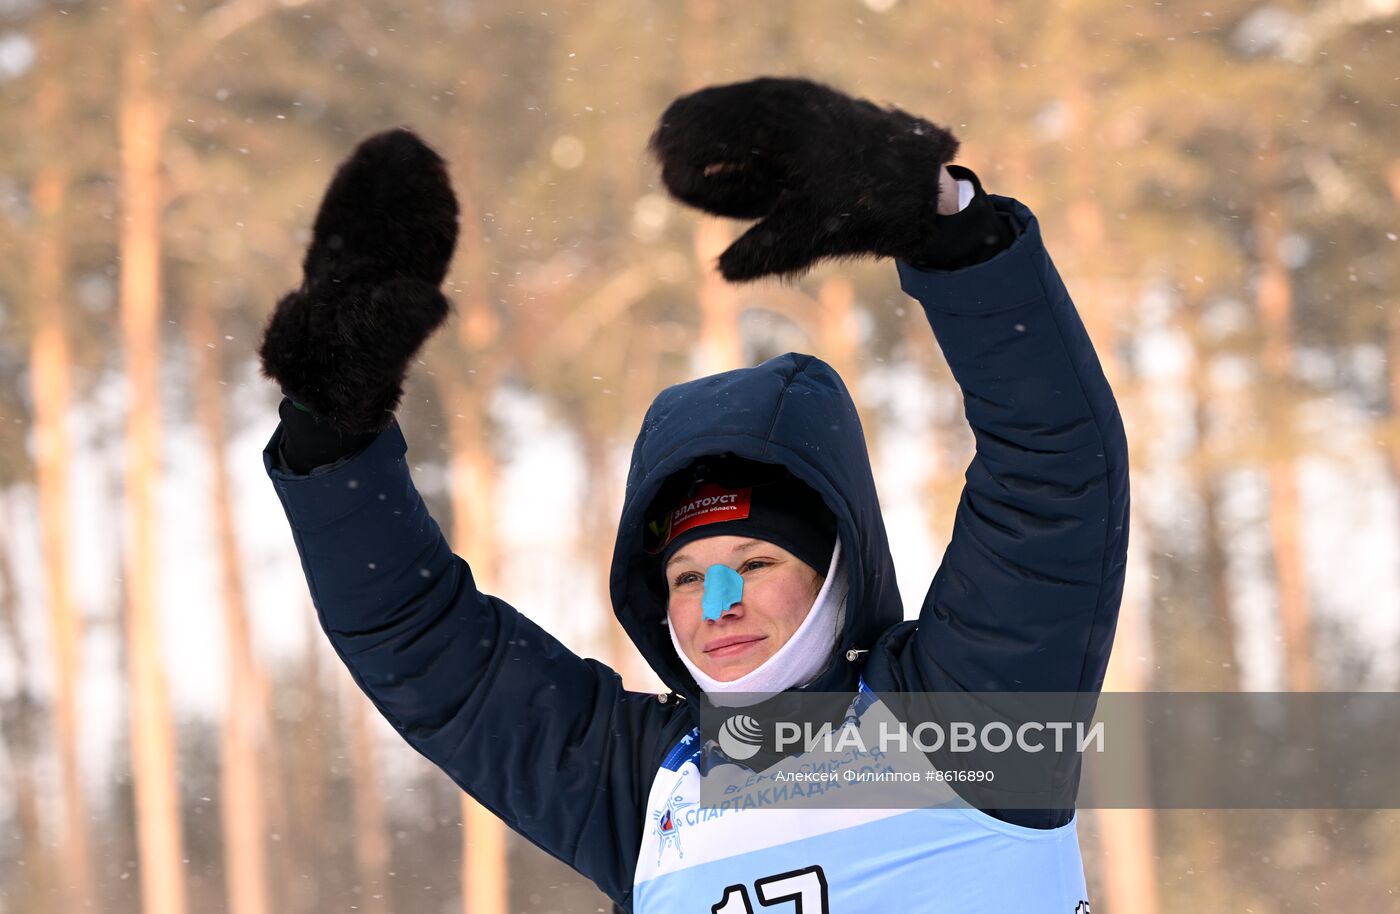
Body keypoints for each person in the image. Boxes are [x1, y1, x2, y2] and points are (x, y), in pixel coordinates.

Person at [259, 77, 1129, 913]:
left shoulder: (966, 720)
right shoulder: (639, 785)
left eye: (755, 560)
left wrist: (944, 221)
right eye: (685, 575)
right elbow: (417, 640)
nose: (717, 603)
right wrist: (333, 433)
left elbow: (1055, 476)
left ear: (836, 569)